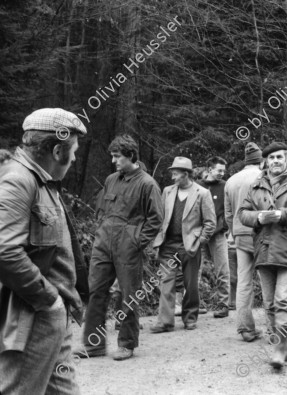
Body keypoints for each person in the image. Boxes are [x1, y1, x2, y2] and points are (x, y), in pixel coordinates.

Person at [0, 108, 88, 394]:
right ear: (57, 149)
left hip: (52, 317)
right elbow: (5, 251)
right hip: (33, 314)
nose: (74, 159)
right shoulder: (18, 180)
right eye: (72, 151)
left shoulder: (43, 181)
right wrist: (49, 300)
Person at [75, 134, 164, 361]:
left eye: (118, 157)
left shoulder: (147, 184)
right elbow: (102, 208)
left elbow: (156, 219)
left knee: (128, 295)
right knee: (96, 292)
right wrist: (101, 229)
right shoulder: (111, 179)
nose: (114, 161)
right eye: (113, 157)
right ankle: (93, 345)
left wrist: (137, 242)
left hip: (128, 246)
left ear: (131, 156)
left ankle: (126, 344)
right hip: (104, 243)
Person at [239, 141, 287, 369]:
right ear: (266, 161)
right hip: (263, 250)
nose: (275, 161)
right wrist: (259, 218)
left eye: (279, 158)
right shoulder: (257, 185)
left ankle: (280, 349)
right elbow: (242, 213)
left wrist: (281, 214)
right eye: (271, 158)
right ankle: (279, 343)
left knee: (284, 301)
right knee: (269, 303)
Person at [150, 157, 216, 333]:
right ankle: (165, 321)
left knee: (190, 284)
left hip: (190, 247)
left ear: (186, 174)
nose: (172, 177)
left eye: (176, 174)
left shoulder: (202, 193)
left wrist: (199, 241)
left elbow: (210, 223)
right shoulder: (167, 191)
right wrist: (158, 240)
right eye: (172, 173)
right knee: (166, 282)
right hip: (168, 246)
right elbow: (161, 218)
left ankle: (190, 317)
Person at [224, 142, 264, 342]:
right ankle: (275, 327)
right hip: (261, 233)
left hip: (239, 234)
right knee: (267, 279)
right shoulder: (263, 177)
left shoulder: (231, 180)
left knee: (244, 281)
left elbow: (228, 214)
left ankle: (245, 328)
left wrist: (235, 231)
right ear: (261, 160)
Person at [199, 156, 231, 318]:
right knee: (193, 269)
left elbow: (229, 208)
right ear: (210, 169)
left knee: (222, 268)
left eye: (223, 171)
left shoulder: (225, 186)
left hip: (218, 234)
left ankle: (223, 305)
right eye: (219, 170)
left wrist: (224, 227)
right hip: (198, 234)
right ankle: (194, 304)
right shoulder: (198, 186)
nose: (222, 173)